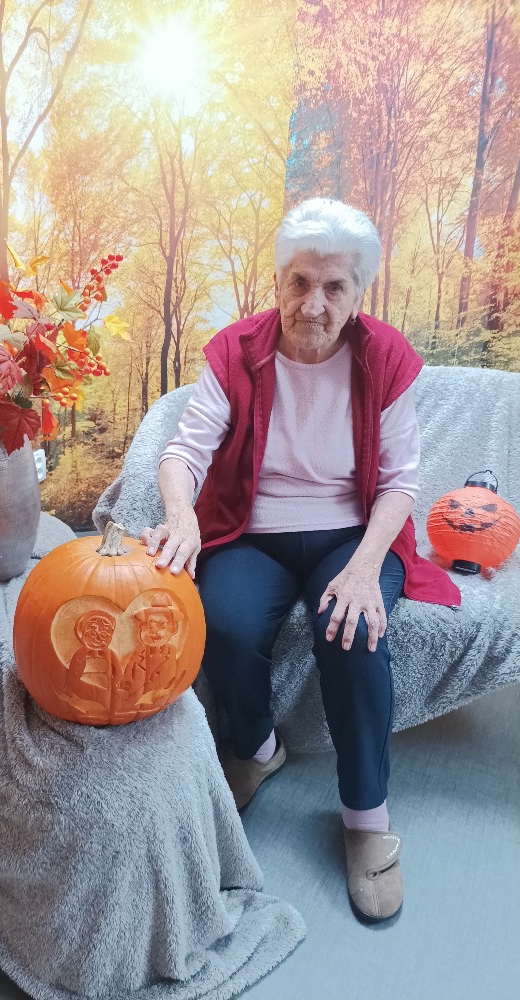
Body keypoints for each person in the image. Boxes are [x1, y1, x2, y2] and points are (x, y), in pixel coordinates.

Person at [140, 198, 460, 923]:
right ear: (278, 280)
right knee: (221, 622)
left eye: (334, 286)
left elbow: (401, 482)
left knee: (352, 629)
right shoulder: (235, 351)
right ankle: (257, 748)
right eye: (300, 282)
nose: (313, 304)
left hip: (353, 532)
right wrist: (182, 516)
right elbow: (185, 451)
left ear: (359, 292)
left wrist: (365, 567)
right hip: (253, 530)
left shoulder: (385, 357)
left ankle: (367, 818)